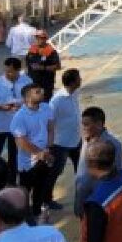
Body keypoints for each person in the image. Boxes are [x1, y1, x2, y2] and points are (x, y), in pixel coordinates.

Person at [11, 83, 55, 216]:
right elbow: (21, 142)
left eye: (41, 90)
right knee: (25, 193)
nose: (42, 92)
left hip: (44, 157)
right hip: (28, 163)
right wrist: (40, 153)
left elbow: (51, 128)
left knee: (41, 189)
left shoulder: (46, 108)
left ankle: (36, 213)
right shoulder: (19, 117)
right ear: (27, 97)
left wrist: (48, 149)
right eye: (37, 91)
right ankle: (23, 218)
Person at [0, 57, 28, 184]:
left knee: (14, 157)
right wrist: (1, 107)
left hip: (17, 128)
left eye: (11, 72)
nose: (7, 74)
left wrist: (22, 106)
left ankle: (11, 183)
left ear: (19, 70)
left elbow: (33, 101)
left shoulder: (27, 81)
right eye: (6, 71)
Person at [74, 106, 122, 218]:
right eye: (82, 124)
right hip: (82, 194)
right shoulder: (87, 138)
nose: (83, 128)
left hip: (97, 200)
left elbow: (114, 174)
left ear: (99, 124)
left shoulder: (113, 145)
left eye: (87, 124)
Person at [47, 68, 82, 211]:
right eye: (79, 78)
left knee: (80, 170)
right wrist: (49, 144)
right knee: (55, 172)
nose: (81, 80)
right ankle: (47, 199)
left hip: (76, 139)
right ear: (73, 82)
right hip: (60, 143)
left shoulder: (75, 93)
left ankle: (81, 196)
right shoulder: (57, 100)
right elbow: (49, 121)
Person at [25, 30, 61, 100]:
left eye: (40, 38)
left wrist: (42, 68)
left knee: (45, 101)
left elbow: (58, 66)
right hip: (33, 82)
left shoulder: (51, 51)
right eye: (37, 38)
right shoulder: (32, 49)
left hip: (46, 83)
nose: (38, 40)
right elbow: (27, 62)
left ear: (45, 39)